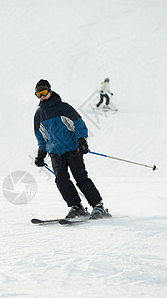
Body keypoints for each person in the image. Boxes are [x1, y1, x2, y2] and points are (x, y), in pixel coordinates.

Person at [34, 79, 110, 219]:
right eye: (38, 94)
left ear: (50, 91)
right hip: (55, 153)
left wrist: (82, 140)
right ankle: (76, 206)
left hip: (72, 149)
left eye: (44, 92)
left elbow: (79, 124)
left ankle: (98, 205)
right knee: (61, 181)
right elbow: (41, 137)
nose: (42, 96)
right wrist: (41, 154)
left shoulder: (64, 107)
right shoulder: (39, 114)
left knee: (81, 178)